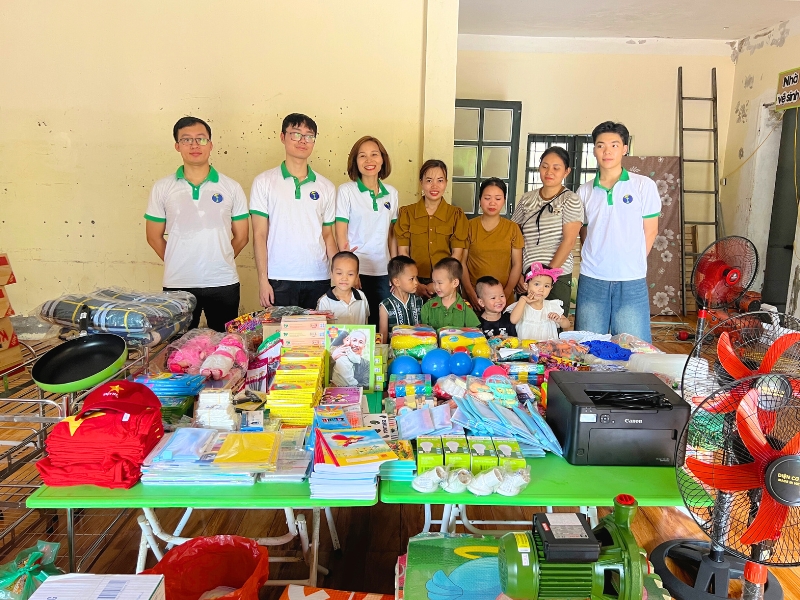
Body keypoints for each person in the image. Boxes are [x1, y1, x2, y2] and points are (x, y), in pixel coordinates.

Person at [145, 116, 249, 332]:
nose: (194, 145)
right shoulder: (162, 188)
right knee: (178, 350)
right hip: (178, 284)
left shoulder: (231, 187)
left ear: (210, 145)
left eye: (201, 139)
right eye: (186, 140)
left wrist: (221, 258)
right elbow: (153, 237)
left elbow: (242, 237)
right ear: (177, 146)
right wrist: (178, 260)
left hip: (222, 282)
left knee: (225, 346)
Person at [575, 121, 660, 342]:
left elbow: (650, 231)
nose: (607, 151)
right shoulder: (584, 191)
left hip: (631, 280)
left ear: (625, 148)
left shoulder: (643, 185)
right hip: (592, 279)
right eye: (601, 145)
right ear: (594, 150)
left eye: (614, 145)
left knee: (635, 348)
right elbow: (584, 233)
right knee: (588, 347)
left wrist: (631, 261)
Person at [249, 113, 337, 309]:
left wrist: (340, 273)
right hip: (278, 278)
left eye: (309, 136)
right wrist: (263, 281)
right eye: (296, 134)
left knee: (315, 338)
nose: (302, 141)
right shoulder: (264, 182)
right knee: (279, 338)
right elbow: (259, 234)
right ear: (283, 137)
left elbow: (328, 235)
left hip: (318, 277)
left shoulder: (327, 187)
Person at [511, 146, 584, 315]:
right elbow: (515, 237)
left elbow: (569, 241)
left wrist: (546, 277)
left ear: (566, 171)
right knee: (525, 325)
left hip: (556, 277)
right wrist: (518, 273)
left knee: (553, 326)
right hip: (527, 276)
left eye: (556, 168)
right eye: (544, 166)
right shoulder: (527, 199)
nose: (549, 171)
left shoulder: (571, 200)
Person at [335, 136, 399, 325]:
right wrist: (349, 272)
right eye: (362, 156)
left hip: (383, 271)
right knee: (357, 327)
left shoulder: (392, 193)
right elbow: (341, 232)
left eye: (374, 155)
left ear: (382, 159)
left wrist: (395, 271)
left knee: (383, 327)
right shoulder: (347, 191)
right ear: (355, 161)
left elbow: (392, 236)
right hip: (357, 271)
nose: (369, 161)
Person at [394, 160, 469, 299]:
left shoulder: (456, 215)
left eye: (440, 180)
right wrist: (414, 283)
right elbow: (403, 252)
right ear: (421, 182)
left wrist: (438, 284)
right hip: (413, 284)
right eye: (429, 180)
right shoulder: (407, 213)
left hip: (447, 284)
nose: (434, 186)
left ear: (446, 182)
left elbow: (456, 255)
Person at [461, 178, 524, 309]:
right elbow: (462, 262)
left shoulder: (512, 228)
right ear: (479, 200)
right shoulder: (468, 226)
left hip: (504, 300)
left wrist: (505, 295)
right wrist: (471, 294)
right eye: (487, 198)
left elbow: (517, 264)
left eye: (498, 198)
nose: (492, 203)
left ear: (504, 201)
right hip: (475, 300)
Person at [507, 263, 570, 341]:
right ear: (526, 286)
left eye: (546, 286)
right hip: (526, 350)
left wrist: (560, 320)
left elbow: (567, 324)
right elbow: (513, 320)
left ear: (551, 288)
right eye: (537, 284)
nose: (541, 289)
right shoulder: (521, 305)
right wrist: (523, 299)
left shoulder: (551, 306)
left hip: (547, 350)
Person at [420, 258, 481, 330]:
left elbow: (474, 333)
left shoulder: (465, 308)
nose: (436, 287)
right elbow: (423, 334)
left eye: (440, 283)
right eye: (434, 282)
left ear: (455, 283)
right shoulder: (428, 307)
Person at [378, 256, 424, 343]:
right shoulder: (385, 306)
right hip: (395, 353)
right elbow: (383, 334)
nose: (416, 282)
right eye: (411, 279)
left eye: (416, 278)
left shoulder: (419, 301)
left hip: (418, 350)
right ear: (396, 282)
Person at [316, 251, 369, 324]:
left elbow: (366, 321)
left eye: (350, 274)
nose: (344, 278)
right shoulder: (325, 302)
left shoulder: (361, 297)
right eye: (339, 273)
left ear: (357, 277)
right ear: (331, 274)